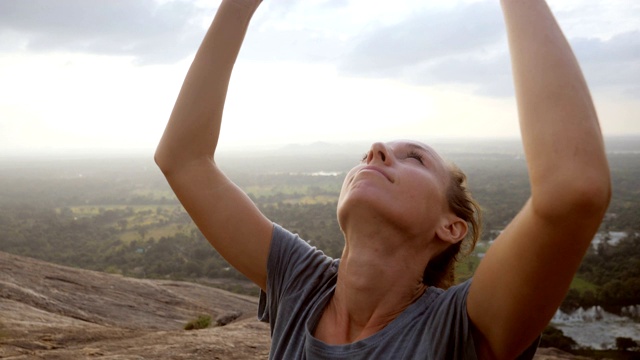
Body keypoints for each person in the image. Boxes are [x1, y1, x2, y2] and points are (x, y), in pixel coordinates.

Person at [155, 0, 611, 358]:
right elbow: (183, 158)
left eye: (413, 158)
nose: (376, 151)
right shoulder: (300, 284)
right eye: (375, 153)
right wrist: (238, 5)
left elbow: (572, 188)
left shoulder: (456, 330)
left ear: (450, 227)